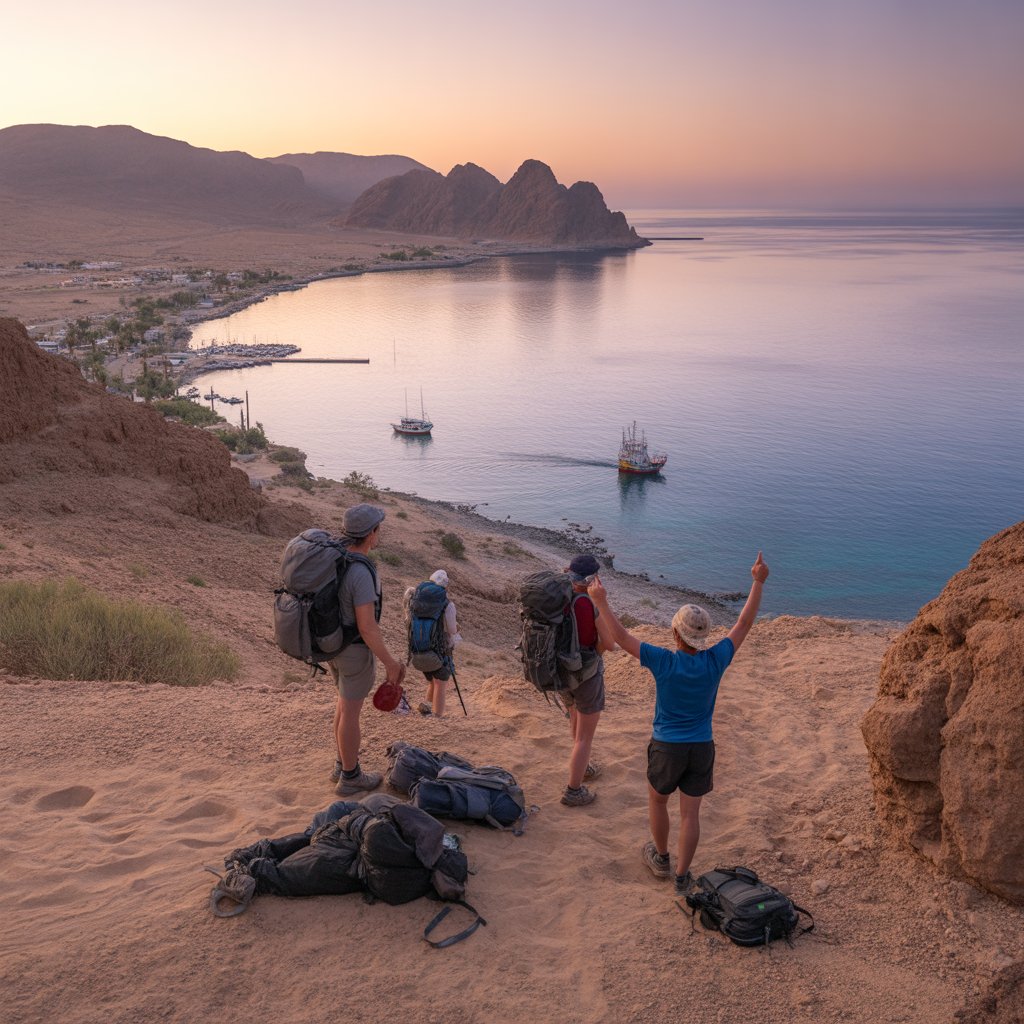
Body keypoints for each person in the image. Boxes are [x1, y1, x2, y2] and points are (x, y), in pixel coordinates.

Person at [588, 552, 769, 894]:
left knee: (658, 801)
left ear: (675, 633)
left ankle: (661, 858)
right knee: (691, 814)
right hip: (702, 746)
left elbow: (623, 639)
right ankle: (683, 876)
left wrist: (601, 602)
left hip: (667, 745)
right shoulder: (716, 659)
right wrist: (757, 582)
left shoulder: (665, 661)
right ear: (703, 636)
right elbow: (743, 624)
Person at [328, 503, 406, 796]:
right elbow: (367, 627)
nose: (379, 534)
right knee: (350, 713)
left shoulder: (337, 559)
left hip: (333, 645)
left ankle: (341, 763)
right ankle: (350, 776)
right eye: (378, 529)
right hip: (354, 651)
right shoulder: (361, 572)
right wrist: (389, 662)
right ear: (371, 533)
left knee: (343, 706)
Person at [560, 553, 613, 808]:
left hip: (561, 672)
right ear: (592, 578)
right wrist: (600, 603)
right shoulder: (586, 603)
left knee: (575, 719)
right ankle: (573, 790)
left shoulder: (558, 595)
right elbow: (610, 643)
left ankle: (583, 768)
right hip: (586, 674)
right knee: (585, 738)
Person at [404, 569, 462, 717]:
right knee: (441, 682)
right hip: (439, 651)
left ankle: (427, 708)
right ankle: (437, 717)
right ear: (445, 586)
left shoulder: (416, 601)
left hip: (419, 650)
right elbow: (452, 629)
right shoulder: (447, 604)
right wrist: (457, 628)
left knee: (432, 681)